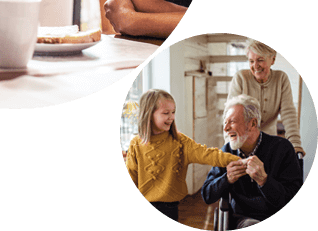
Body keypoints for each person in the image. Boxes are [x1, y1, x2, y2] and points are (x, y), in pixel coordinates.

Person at [124, 89, 240, 222]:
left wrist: (238, 160)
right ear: (149, 114)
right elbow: (131, 175)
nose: (171, 117)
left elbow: (207, 154)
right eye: (166, 113)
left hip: (169, 209)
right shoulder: (135, 144)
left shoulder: (180, 142)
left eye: (173, 112)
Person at [202, 95, 302, 228]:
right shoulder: (226, 152)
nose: (226, 128)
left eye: (232, 121)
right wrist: (227, 178)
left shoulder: (283, 148)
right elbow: (207, 195)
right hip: (241, 220)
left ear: (253, 123)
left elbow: (290, 197)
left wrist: (264, 181)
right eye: (225, 122)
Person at [227, 39, 304, 155]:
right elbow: (229, 115)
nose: (255, 66)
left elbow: (288, 114)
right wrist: (230, 147)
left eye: (260, 60)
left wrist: (295, 144)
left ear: (272, 59)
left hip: (269, 143)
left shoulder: (281, 79)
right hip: (243, 143)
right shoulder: (241, 78)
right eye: (251, 61)